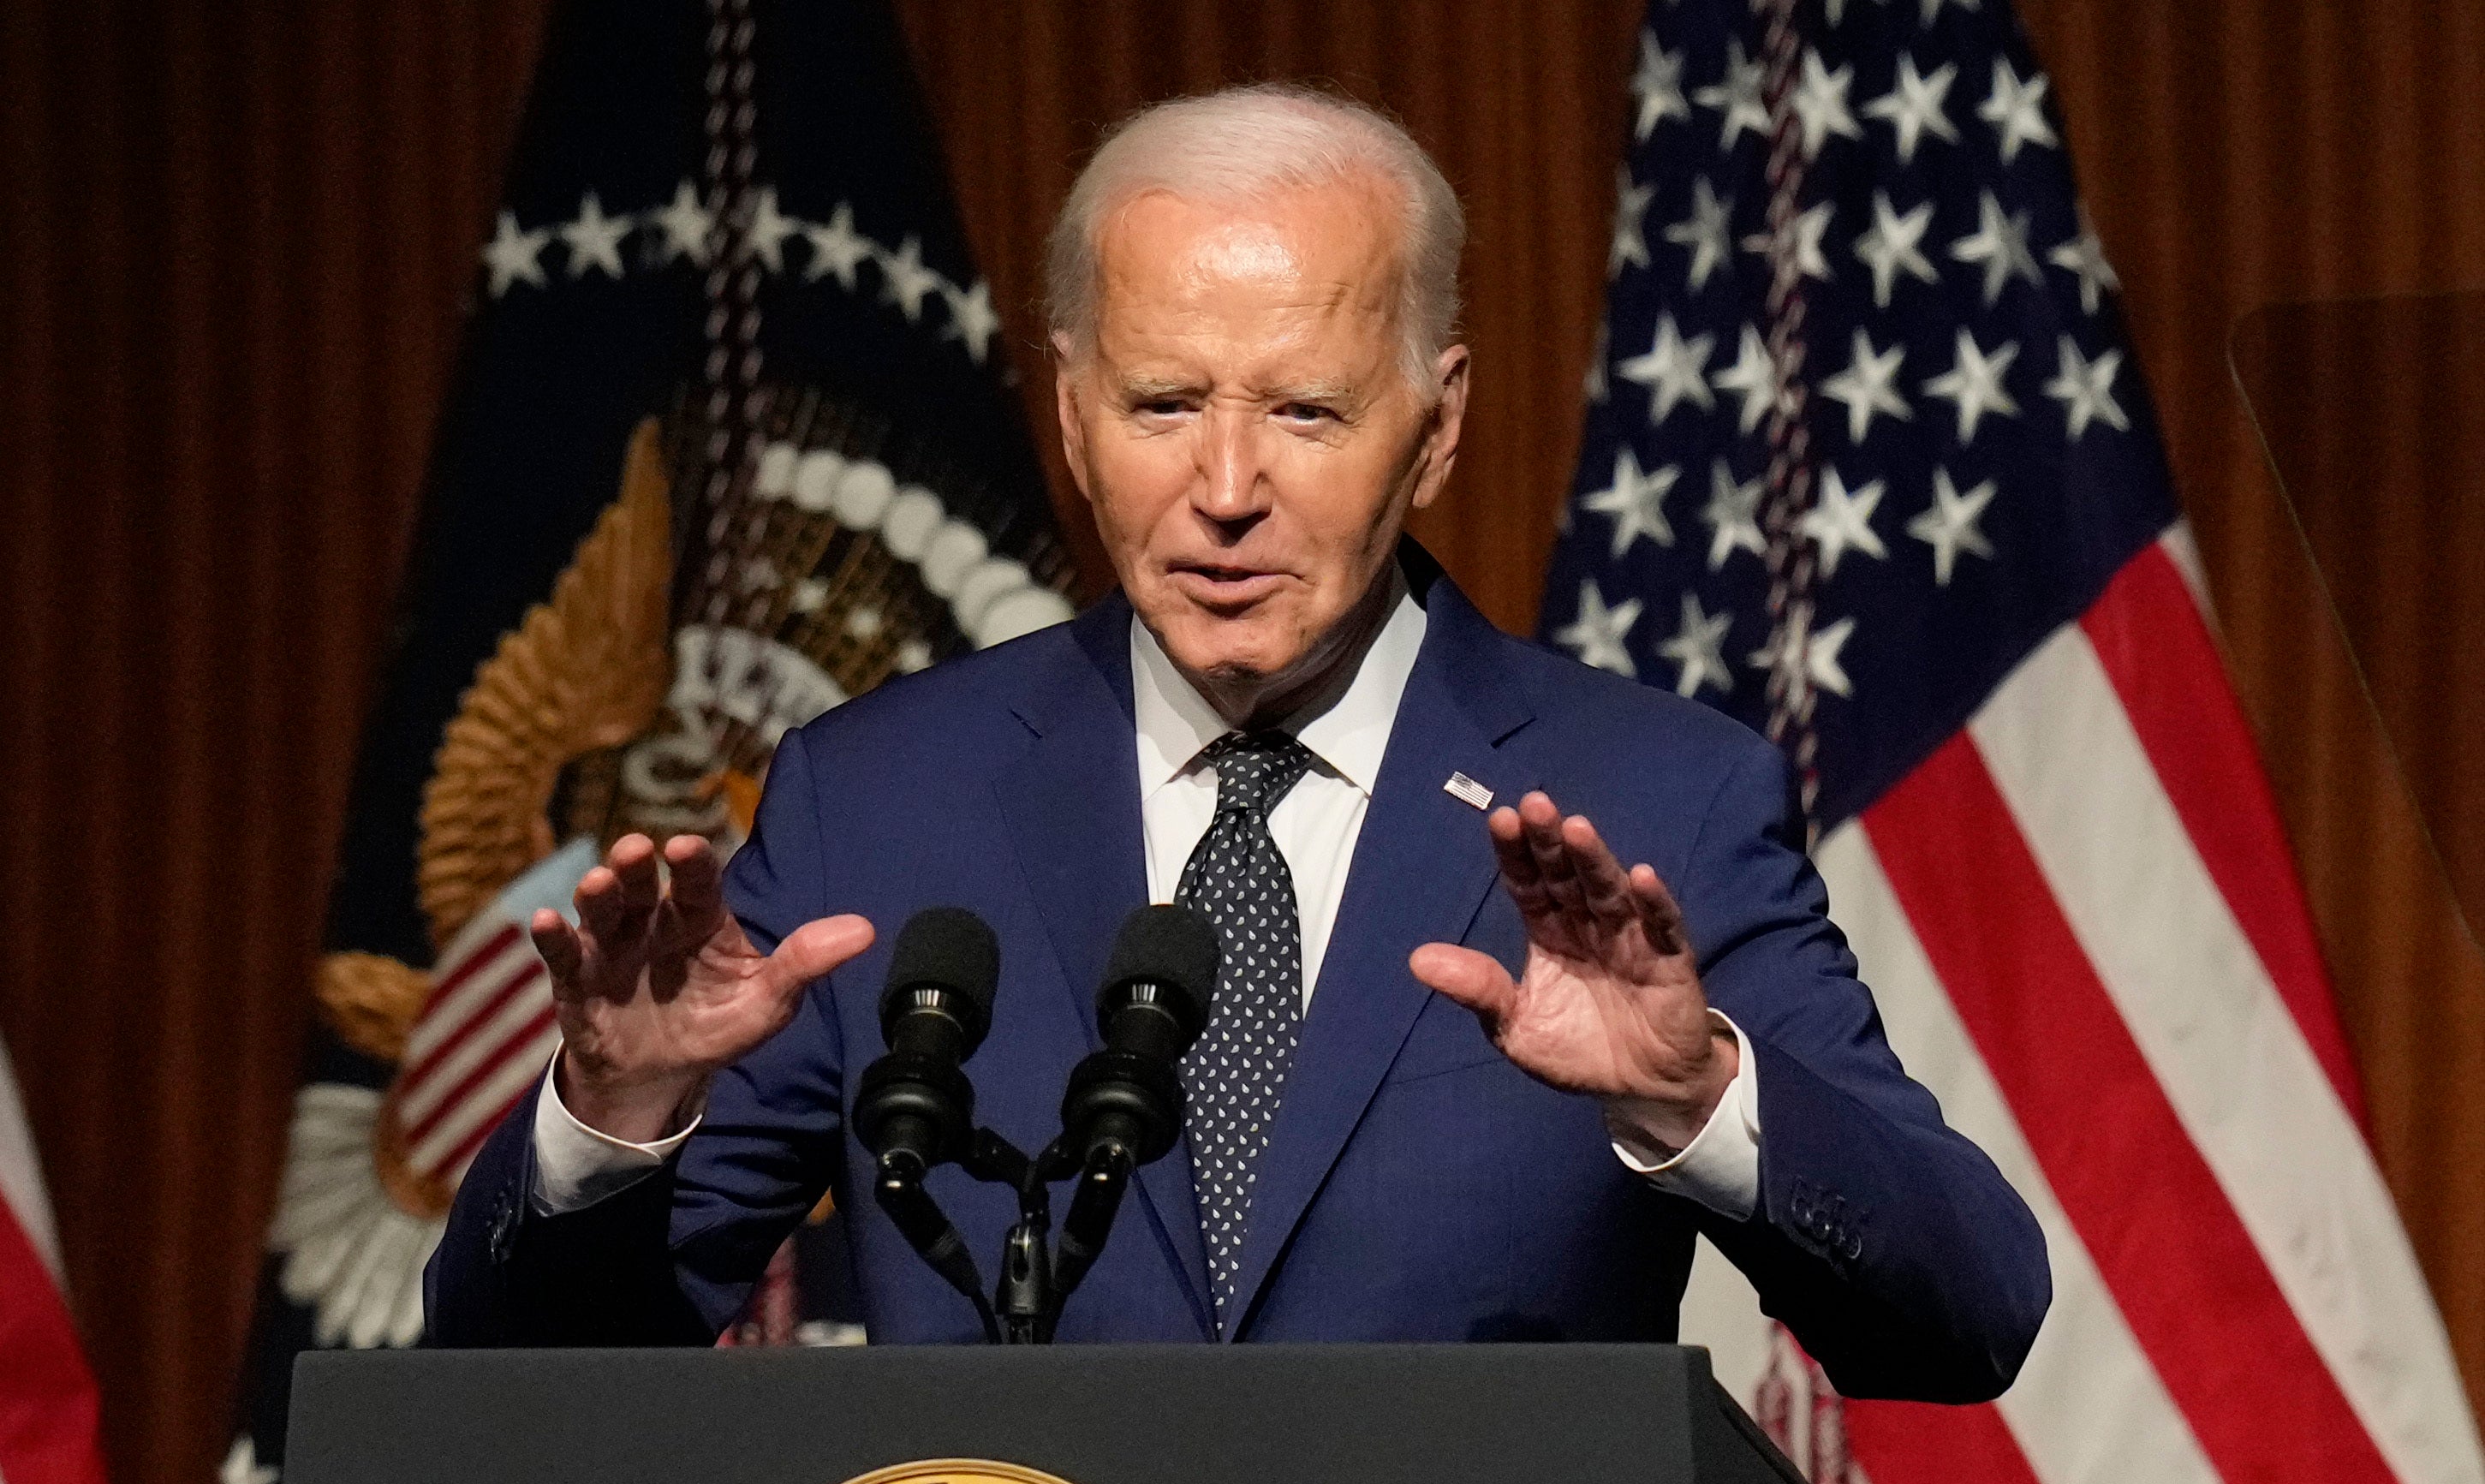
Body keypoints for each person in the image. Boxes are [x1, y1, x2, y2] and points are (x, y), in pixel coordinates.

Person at [425, 85, 2047, 1398]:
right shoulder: (877, 798)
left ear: (1439, 419)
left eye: (1304, 412)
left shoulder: (1655, 799)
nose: (1221, 489)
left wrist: (1699, 1099)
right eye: (1157, 405)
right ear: (1069, 413)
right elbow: (522, 1379)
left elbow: (1963, 1314)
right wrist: (610, 1118)